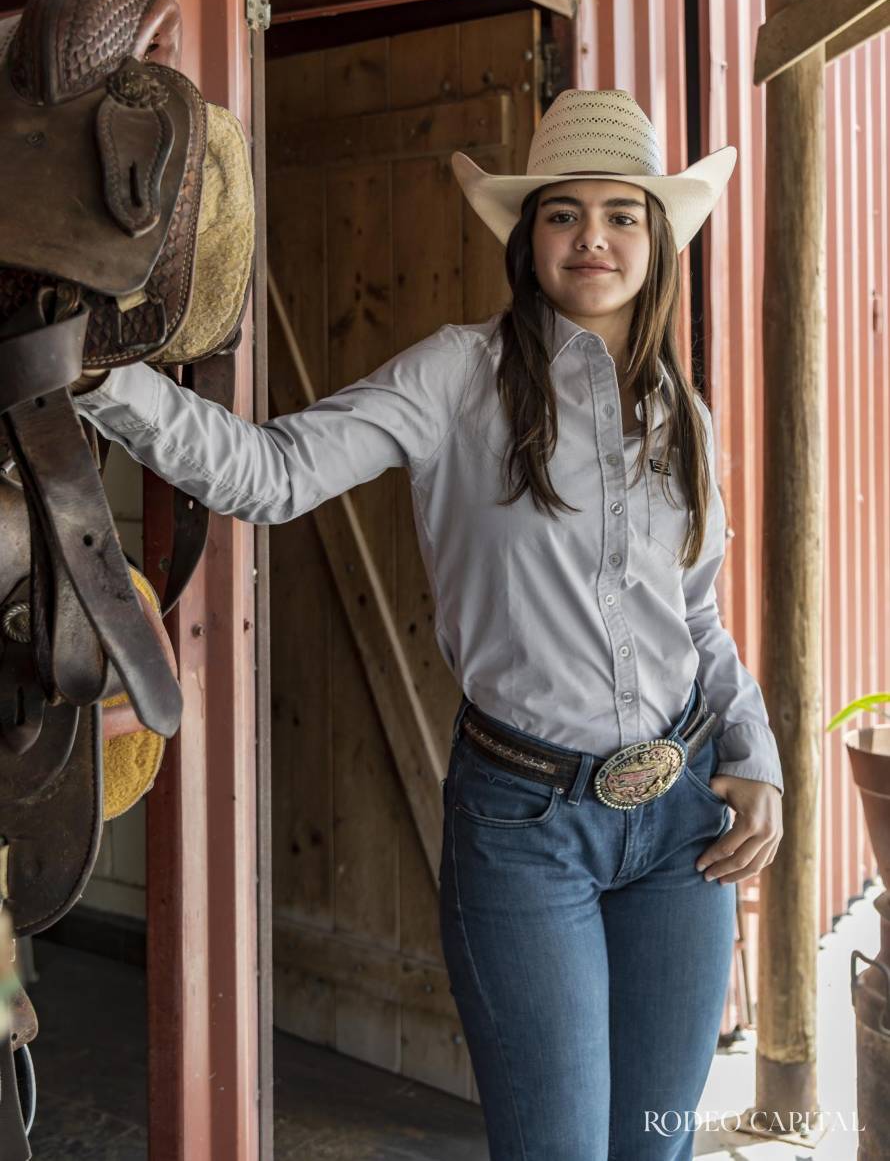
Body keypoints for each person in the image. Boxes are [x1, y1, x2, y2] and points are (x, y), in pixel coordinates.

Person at [73, 88, 784, 1160]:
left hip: (680, 824)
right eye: (561, 213)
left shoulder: (680, 414)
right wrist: (91, 370)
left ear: (658, 239)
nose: (591, 235)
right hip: (526, 827)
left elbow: (696, 612)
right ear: (526, 236)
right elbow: (270, 473)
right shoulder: (458, 375)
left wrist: (756, 753)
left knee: (655, 1146)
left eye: (621, 213)